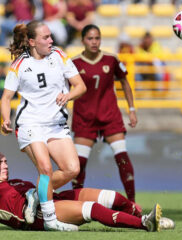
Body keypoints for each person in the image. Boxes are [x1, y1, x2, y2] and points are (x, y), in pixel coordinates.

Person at [0, 150, 171, 233]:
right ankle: (144, 224)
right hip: (41, 216)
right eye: (0, 163)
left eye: (7, 161)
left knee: (112, 197)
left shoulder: (15, 181)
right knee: (93, 209)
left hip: (50, 199)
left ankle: (141, 215)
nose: (6, 165)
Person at [0, 20, 87, 231]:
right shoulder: (19, 65)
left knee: (72, 169)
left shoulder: (59, 56)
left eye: (51, 36)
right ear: (32, 41)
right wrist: (4, 119)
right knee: (46, 168)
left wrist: (68, 95)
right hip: (30, 124)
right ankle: (50, 220)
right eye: (46, 37)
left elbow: (81, 86)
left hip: (56, 124)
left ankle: (34, 194)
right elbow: (6, 98)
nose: (51, 40)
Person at [70, 25, 138, 204]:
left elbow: (124, 82)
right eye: (90, 39)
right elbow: (62, 88)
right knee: (78, 165)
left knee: (122, 158)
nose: (94, 42)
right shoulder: (74, 63)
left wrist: (131, 109)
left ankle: (132, 202)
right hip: (85, 118)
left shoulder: (111, 59)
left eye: (97, 38)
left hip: (110, 117)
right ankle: (77, 203)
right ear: (83, 40)